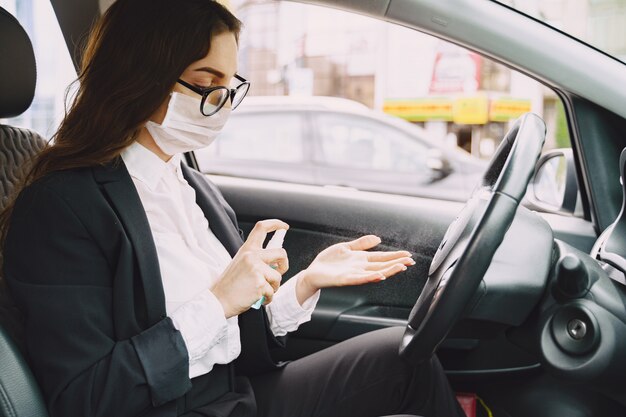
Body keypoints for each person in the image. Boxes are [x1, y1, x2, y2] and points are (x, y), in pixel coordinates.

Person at [0, 1, 466, 416]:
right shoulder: (63, 205)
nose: (221, 105)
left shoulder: (189, 184)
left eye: (230, 86)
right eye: (207, 84)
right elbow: (86, 397)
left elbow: (232, 343)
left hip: (233, 396)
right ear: (140, 77)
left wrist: (305, 283)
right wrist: (219, 300)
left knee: (402, 358)